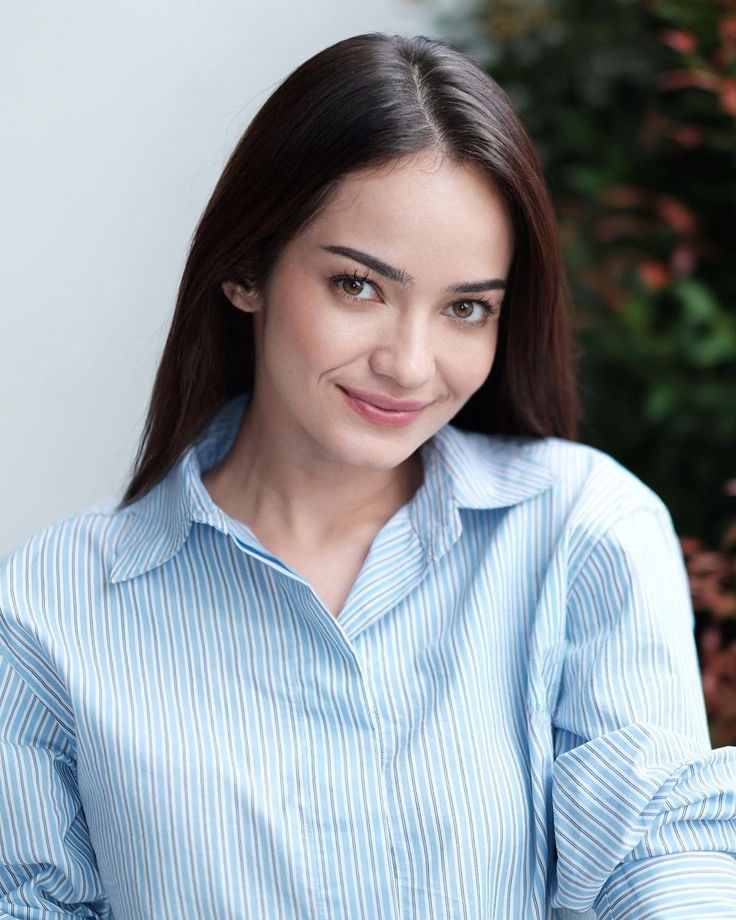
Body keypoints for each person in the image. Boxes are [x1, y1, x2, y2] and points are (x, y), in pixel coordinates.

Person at [1, 32, 735, 920]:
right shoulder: (48, 608)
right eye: (359, 287)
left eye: (467, 307)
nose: (411, 364)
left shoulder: (585, 530)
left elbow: (661, 854)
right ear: (247, 267)